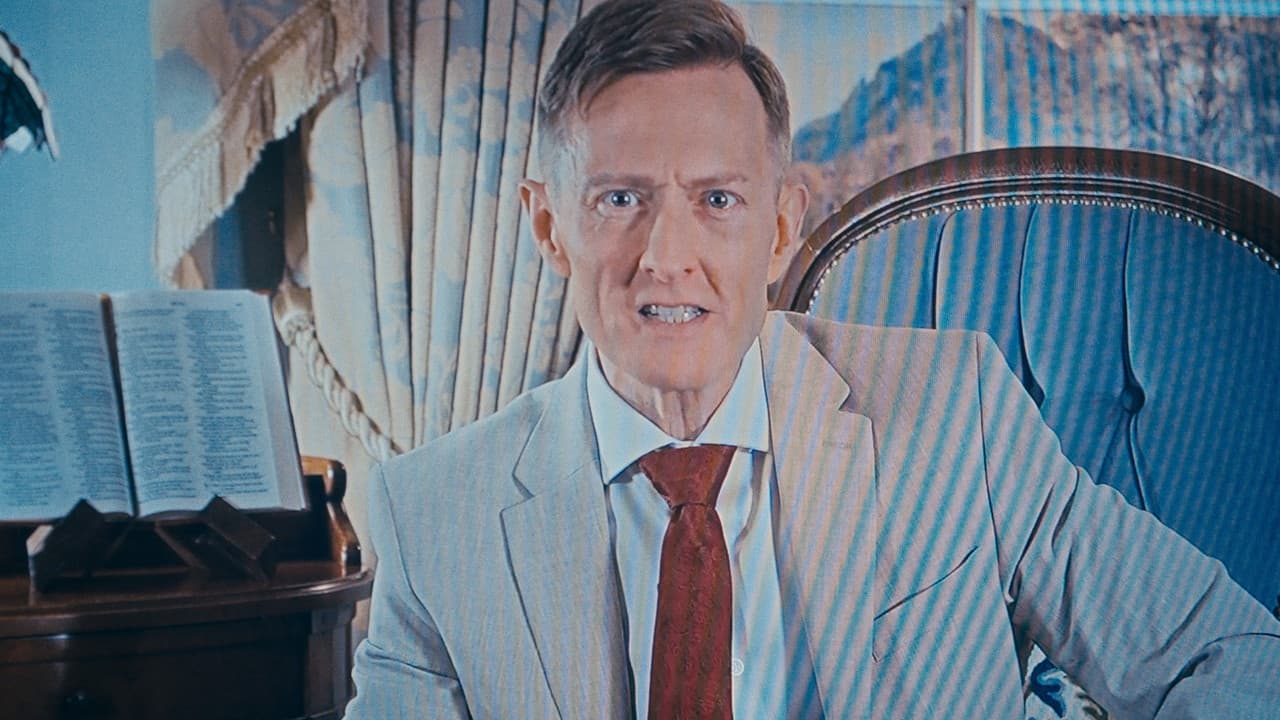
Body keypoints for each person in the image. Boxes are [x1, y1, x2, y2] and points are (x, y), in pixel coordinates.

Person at [345, 1, 1280, 717]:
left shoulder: (958, 412)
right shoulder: (435, 517)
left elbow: (1229, 657)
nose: (668, 256)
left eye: (717, 200)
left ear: (783, 225)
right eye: (620, 200)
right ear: (549, 225)